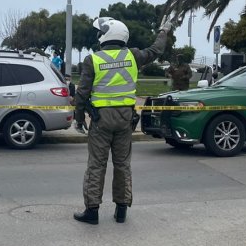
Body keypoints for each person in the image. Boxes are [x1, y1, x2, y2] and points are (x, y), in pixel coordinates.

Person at [72, 15, 175, 225]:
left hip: (101, 121)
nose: (99, 36)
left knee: (96, 165)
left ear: (107, 35)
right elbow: (156, 50)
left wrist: (79, 118)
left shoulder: (93, 60)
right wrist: (163, 31)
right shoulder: (133, 56)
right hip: (126, 119)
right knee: (122, 165)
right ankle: (121, 211)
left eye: (100, 32)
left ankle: (92, 211)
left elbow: (82, 93)